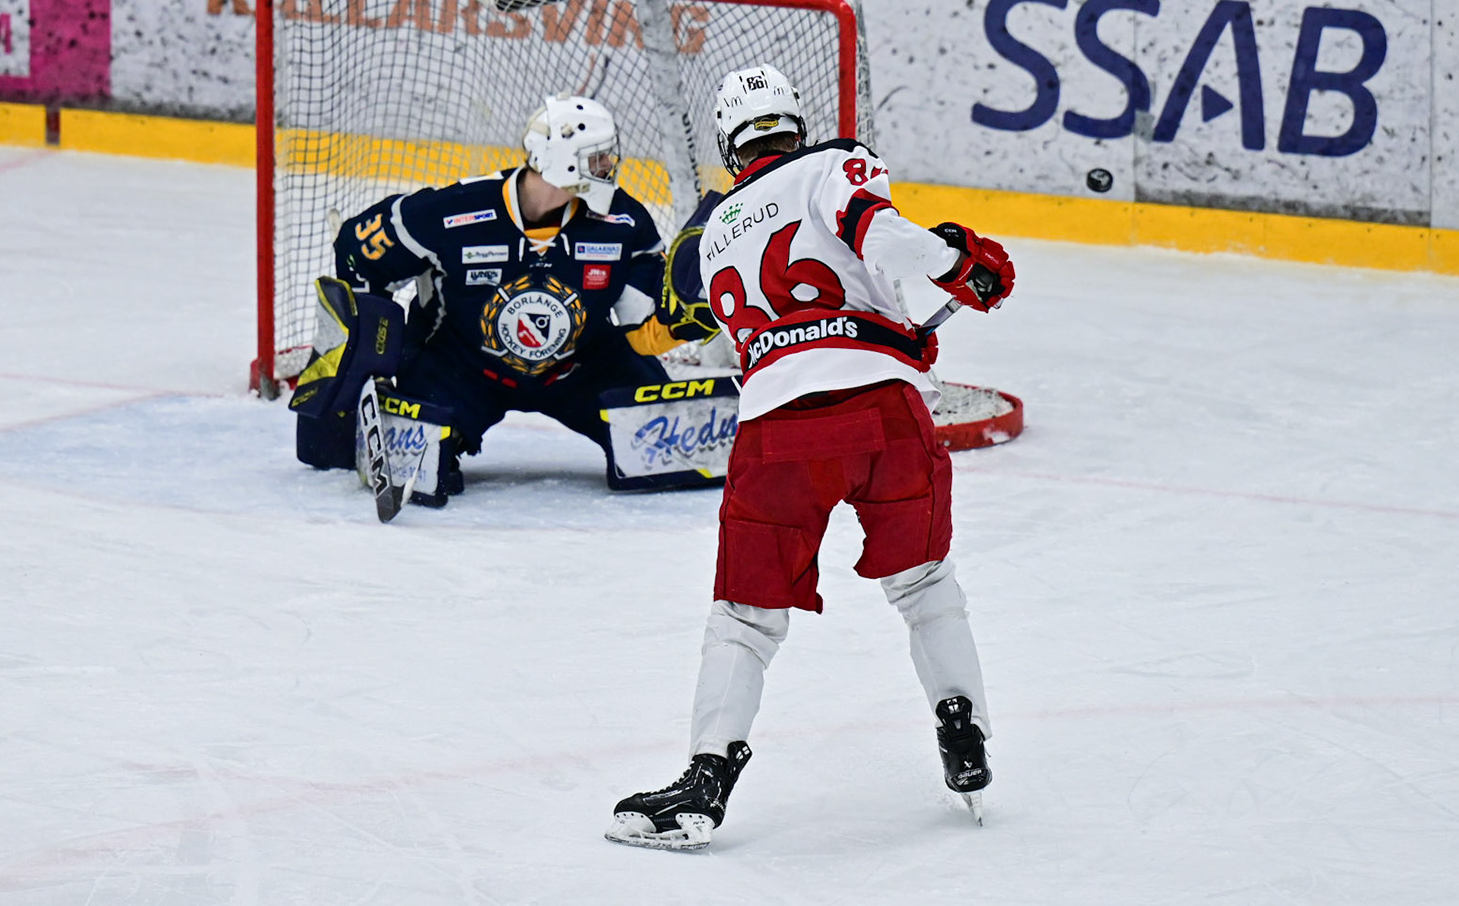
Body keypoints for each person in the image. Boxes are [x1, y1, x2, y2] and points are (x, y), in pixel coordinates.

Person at [607, 63, 1016, 851]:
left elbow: (723, 314)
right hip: (883, 412)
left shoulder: (713, 229)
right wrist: (957, 264)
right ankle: (961, 725)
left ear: (730, 144)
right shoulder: (832, 162)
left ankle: (706, 777)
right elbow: (876, 235)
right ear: (794, 124)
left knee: (744, 617)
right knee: (925, 583)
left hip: (774, 429)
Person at [289, 94, 697, 516]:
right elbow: (356, 250)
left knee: (676, 455)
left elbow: (641, 328)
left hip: (583, 368)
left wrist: (688, 320)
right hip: (462, 370)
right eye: (597, 158)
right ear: (561, 161)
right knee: (424, 472)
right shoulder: (452, 212)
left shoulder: (624, 222)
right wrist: (368, 354)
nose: (609, 166)